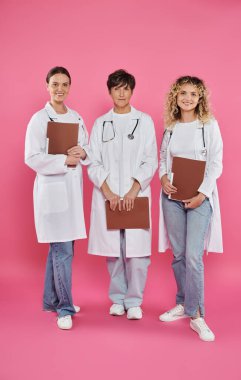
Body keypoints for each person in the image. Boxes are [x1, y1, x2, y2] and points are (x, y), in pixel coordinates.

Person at [88, 69, 157, 320]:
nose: (121, 92)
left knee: (137, 254)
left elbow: (151, 160)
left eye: (126, 88)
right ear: (109, 91)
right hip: (109, 197)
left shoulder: (145, 121)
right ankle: (118, 299)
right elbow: (93, 162)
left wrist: (133, 190)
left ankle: (135, 301)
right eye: (116, 88)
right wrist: (107, 192)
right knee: (114, 252)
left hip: (135, 196)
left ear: (131, 91)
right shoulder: (100, 123)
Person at [25, 66, 90, 330]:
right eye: (55, 84)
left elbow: (87, 148)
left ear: (70, 87)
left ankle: (52, 300)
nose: (60, 89)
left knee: (62, 250)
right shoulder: (39, 119)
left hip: (72, 195)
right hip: (52, 196)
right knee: (62, 251)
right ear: (47, 86)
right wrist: (65, 159)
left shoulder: (76, 117)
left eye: (64, 84)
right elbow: (32, 158)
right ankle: (64, 308)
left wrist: (81, 152)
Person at [158, 76, 223, 341]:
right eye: (182, 93)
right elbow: (163, 159)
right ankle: (183, 304)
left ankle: (197, 315)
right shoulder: (171, 126)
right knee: (179, 255)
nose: (187, 98)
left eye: (193, 94)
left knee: (194, 257)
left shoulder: (208, 126)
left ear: (200, 99)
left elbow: (216, 163)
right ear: (175, 96)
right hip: (172, 198)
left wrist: (202, 194)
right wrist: (163, 179)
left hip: (200, 198)